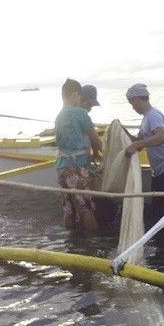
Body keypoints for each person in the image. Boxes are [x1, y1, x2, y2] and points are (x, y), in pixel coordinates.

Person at [123, 83, 164, 220]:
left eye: (132, 103)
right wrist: (124, 133)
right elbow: (139, 144)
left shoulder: (153, 115)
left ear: (137, 99)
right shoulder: (145, 119)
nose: (132, 107)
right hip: (158, 172)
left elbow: (161, 137)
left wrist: (137, 143)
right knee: (160, 210)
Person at [54, 78, 104, 232]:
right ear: (75, 95)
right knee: (87, 206)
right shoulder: (81, 113)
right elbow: (96, 140)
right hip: (77, 168)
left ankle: (72, 242)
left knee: (68, 209)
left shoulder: (59, 116)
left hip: (62, 167)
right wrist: (109, 154)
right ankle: (93, 246)